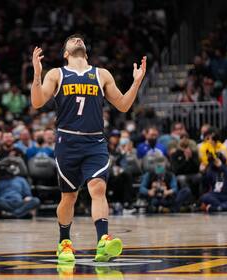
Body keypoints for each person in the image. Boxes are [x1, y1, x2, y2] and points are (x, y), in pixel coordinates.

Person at [30, 34, 146, 263]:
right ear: (65, 53)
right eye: (72, 40)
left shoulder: (101, 74)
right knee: (69, 197)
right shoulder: (56, 74)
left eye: (80, 39)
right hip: (67, 142)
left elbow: (123, 105)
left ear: (86, 50)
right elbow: (36, 102)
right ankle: (64, 242)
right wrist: (36, 73)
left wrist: (136, 82)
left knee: (98, 188)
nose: (77, 40)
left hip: (95, 143)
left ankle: (103, 241)